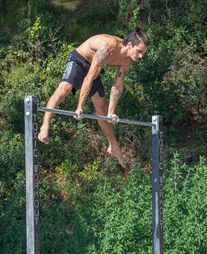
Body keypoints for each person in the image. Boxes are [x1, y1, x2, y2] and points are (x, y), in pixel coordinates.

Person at [38, 28, 149, 168]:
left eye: (143, 53)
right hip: (79, 60)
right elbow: (88, 78)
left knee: (101, 107)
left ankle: (113, 146)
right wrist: (80, 107)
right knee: (64, 89)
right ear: (129, 45)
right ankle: (45, 125)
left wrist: (111, 112)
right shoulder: (108, 46)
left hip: (95, 66)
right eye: (139, 51)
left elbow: (117, 85)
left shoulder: (127, 60)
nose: (141, 56)